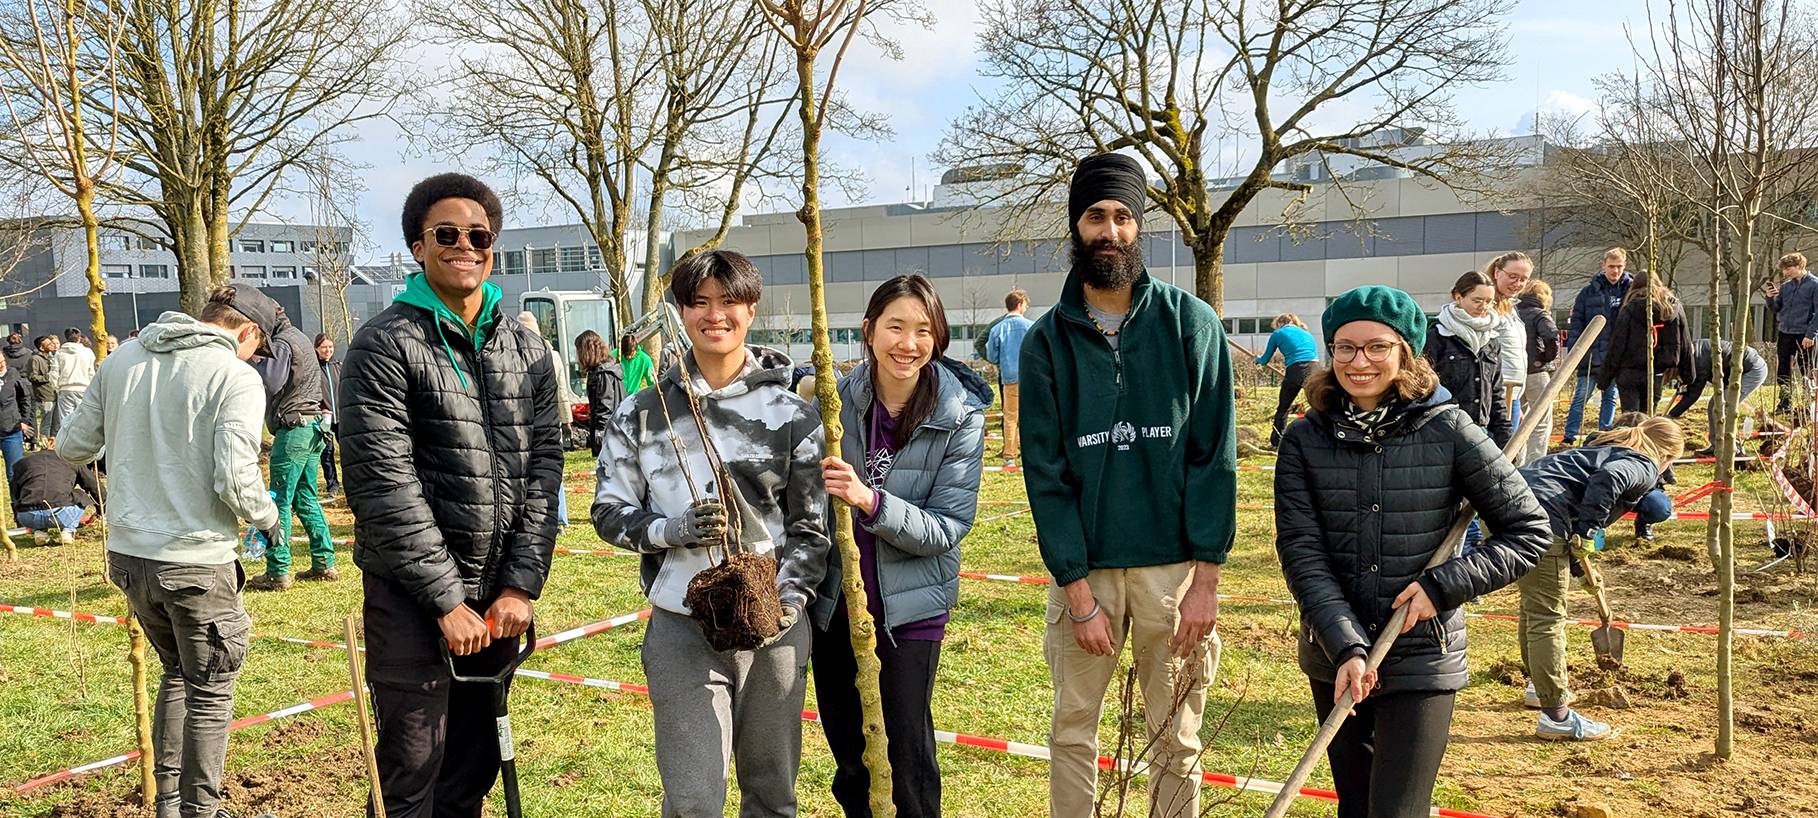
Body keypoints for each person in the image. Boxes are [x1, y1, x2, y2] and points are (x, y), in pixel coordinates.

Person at [1275, 285, 1550, 818]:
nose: (1360, 362)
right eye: (1346, 348)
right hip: (1334, 650)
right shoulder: (1305, 440)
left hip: (1423, 650)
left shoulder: (1448, 428)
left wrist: (1439, 586)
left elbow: (1528, 530)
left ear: (1405, 352)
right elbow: (1301, 551)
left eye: (1377, 347)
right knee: (1355, 807)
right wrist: (1346, 646)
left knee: (1398, 811)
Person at [342, 173, 561, 818]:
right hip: (412, 596)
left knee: (474, 761)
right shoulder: (384, 343)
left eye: (478, 235)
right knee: (413, 763)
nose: (464, 245)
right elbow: (383, 483)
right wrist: (443, 599)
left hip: (498, 597)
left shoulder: (525, 346)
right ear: (418, 246)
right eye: (446, 234)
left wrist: (520, 585)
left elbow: (544, 470)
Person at [1021, 152, 1233, 818]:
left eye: (1122, 217)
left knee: (1176, 740)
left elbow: (1213, 457)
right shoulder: (1045, 343)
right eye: (1094, 217)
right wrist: (1076, 591)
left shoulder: (1190, 324)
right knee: (1072, 732)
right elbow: (1046, 475)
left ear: (1139, 227)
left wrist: (1205, 582)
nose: (1109, 230)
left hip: (1172, 576)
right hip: (1088, 577)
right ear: (1076, 228)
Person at [591, 249, 830, 818]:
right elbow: (607, 510)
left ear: (751, 309)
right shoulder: (641, 414)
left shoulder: (793, 414)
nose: (714, 314)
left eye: (728, 301)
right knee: (694, 797)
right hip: (681, 628)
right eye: (698, 302)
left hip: (775, 633)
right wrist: (668, 529)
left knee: (772, 793)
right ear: (680, 311)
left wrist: (786, 607)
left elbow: (812, 527)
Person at [56, 292, 280, 818]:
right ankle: (201, 811)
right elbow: (235, 476)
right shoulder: (235, 376)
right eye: (258, 348)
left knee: (178, 673)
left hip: (131, 556)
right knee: (210, 690)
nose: (254, 360)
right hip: (196, 559)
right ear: (246, 332)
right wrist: (269, 520)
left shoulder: (120, 361)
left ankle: (171, 804)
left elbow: (71, 446)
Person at [812, 274, 989, 818]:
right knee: (849, 754)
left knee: (906, 753)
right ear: (868, 332)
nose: (907, 344)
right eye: (894, 327)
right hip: (838, 606)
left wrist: (871, 501)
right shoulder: (832, 403)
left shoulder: (959, 416)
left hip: (908, 611)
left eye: (922, 330)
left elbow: (946, 527)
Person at [1516, 418, 1683, 741]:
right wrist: (1588, 532)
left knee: (1534, 606)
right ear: (1667, 457)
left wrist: (1579, 563)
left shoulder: (1602, 452)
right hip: (1542, 517)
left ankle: (1540, 688)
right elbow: (1608, 481)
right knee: (1547, 616)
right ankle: (1557, 717)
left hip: (1512, 507)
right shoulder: (1643, 464)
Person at [234, 287, 333, 591]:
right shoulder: (300, 337)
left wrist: (248, 360)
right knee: (305, 497)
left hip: (295, 430)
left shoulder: (283, 342)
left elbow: (273, 380)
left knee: (278, 501)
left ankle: (278, 570)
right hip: (314, 427)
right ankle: (324, 563)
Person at [1425, 271, 1511, 448]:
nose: (1484, 307)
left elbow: (1496, 393)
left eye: (1489, 301)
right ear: (1458, 297)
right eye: (1477, 300)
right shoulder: (1436, 337)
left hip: (1481, 433)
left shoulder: (1492, 342)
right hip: (1442, 434)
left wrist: (1505, 435)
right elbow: (1424, 391)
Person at [1562, 249, 1631, 444]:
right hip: (1591, 355)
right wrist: (1575, 353)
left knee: (1610, 396)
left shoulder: (1631, 291)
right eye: (1611, 266)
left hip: (1616, 356)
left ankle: (1604, 433)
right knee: (1581, 396)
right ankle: (1570, 435)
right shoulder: (1588, 292)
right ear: (1603, 266)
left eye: (1619, 267)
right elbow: (1577, 323)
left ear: (1624, 266)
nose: (1615, 271)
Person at [1597, 280, 1694, 415]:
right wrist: (1689, 375)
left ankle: (1632, 434)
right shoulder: (1673, 308)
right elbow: (1685, 343)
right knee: (1648, 416)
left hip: (1629, 373)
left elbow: (1616, 346)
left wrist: (1604, 379)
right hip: (1657, 372)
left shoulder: (1629, 309)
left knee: (1630, 417)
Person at [516, 311, 571, 527]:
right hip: (549, 417)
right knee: (551, 466)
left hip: (524, 419)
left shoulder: (511, 353)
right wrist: (566, 420)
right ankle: (559, 518)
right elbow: (562, 390)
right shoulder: (552, 354)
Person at [1667, 339, 1767, 457]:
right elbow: (1690, 383)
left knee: (1722, 406)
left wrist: (1672, 415)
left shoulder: (1699, 362)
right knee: (1713, 406)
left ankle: (1735, 449)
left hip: (1752, 369)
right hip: (1735, 370)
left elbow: (1694, 394)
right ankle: (1716, 446)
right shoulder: (1692, 352)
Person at [984, 289, 1033, 466]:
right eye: (1025, 306)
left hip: (1009, 379)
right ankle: (1031, 453)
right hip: (1030, 378)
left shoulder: (997, 329)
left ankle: (1010, 457)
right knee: (1031, 417)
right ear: (1019, 305)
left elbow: (991, 356)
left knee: (1010, 417)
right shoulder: (1031, 327)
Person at [1765, 252, 1818, 414]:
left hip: (1805, 335)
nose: (1785, 273)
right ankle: (1785, 403)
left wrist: (1811, 334)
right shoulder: (1786, 287)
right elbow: (1776, 308)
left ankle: (1809, 406)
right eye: (1784, 270)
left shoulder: (1815, 285)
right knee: (1783, 370)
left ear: (1800, 266)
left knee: (1807, 371)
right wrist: (1769, 298)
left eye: (1788, 269)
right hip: (1785, 333)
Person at [12, 449, 99, 545]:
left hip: (27, 516)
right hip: (61, 513)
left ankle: (39, 531)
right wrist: (100, 512)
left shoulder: (22, 462)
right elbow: (94, 487)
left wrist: (17, 513)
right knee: (80, 495)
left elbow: (15, 492)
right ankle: (67, 531)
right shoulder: (72, 460)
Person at [1256, 313, 1319, 448]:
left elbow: (1265, 358)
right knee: (1319, 405)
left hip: (1295, 370)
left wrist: (1258, 360)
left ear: (1279, 323)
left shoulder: (1278, 333)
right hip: (1315, 368)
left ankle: (1277, 442)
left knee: (1283, 408)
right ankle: (1323, 437)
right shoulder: (1306, 332)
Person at [1518, 280, 1562, 465]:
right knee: (1541, 422)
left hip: (1516, 372)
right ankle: (1535, 463)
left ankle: (1516, 460)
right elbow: (1552, 336)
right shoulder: (1540, 315)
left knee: (1516, 419)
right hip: (1536, 371)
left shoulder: (1514, 313)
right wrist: (1545, 358)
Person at [1487, 253, 1532, 427]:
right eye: (1513, 276)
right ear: (1497, 272)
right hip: (1496, 395)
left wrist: (1516, 403)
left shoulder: (1510, 308)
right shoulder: (1488, 308)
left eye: (1523, 279)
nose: (1518, 283)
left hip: (1512, 394)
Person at [575, 329, 624, 457]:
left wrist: (600, 432)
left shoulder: (603, 373)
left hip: (608, 431)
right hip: (615, 428)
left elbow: (605, 404)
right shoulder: (609, 368)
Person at [50, 327, 96, 430]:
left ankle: (67, 443)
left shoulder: (60, 353)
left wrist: (56, 387)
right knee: (84, 418)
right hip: (84, 388)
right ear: (79, 338)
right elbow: (91, 373)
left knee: (66, 421)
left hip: (65, 388)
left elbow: (54, 373)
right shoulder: (88, 352)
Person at [315, 334, 342, 498]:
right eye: (324, 347)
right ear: (316, 348)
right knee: (327, 453)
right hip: (324, 418)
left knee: (347, 452)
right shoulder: (314, 369)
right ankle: (332, 485)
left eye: (330, 347)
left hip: (341, 418)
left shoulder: (337, 367)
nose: (328, 350)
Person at [0, 353, 32, 479]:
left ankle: (17, 499)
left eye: (3, 361)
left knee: (14, 472)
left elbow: (25, 397)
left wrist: (24, 420)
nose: (2, 365)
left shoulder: (13, 375)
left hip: (11, 430)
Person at [27, 335, 57, 449]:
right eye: (48, 344)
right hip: (44, 395)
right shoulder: (35, 359)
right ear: (41, 347)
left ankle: (53, 446)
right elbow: (32, 376)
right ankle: (45, 446)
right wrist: (47, 377)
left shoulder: (51, 358)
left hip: (54, 393)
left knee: (55, 423)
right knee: (46, 423)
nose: (52, 345)